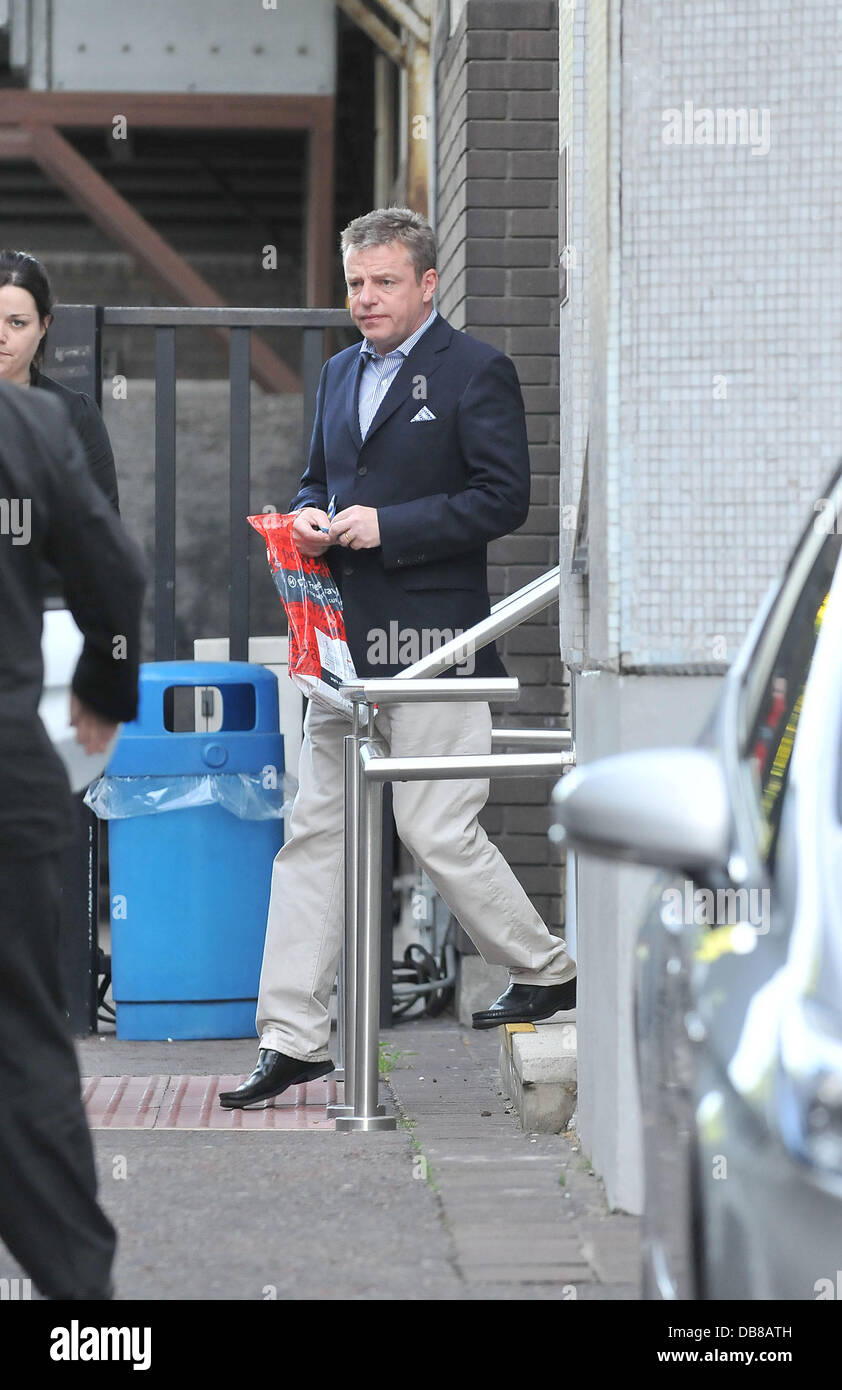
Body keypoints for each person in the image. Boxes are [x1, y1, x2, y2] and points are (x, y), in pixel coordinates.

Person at [220, 207, 576, 1110]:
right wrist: (309, 515)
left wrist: (391, 527)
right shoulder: (340, 371)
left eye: (383, 282)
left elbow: (504, 499)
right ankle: (294, 1037)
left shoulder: (479, 371)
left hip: (436, 643)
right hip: (341, 645)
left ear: (427, 284)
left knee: (435, 826)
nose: (364, 298)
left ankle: (546, 967)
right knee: (314, 835)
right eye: (354, 283)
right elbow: (321, 480)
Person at [0, 380, 145, 1298]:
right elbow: (114, 569)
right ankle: (86, 1321)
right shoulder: (27, 422)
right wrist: (106, 680)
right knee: (19, 1042)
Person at [0, 249, 119, 511]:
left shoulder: (76, 415)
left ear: (43, 325)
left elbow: (99, 528)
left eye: (17, 323)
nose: (1, 335)